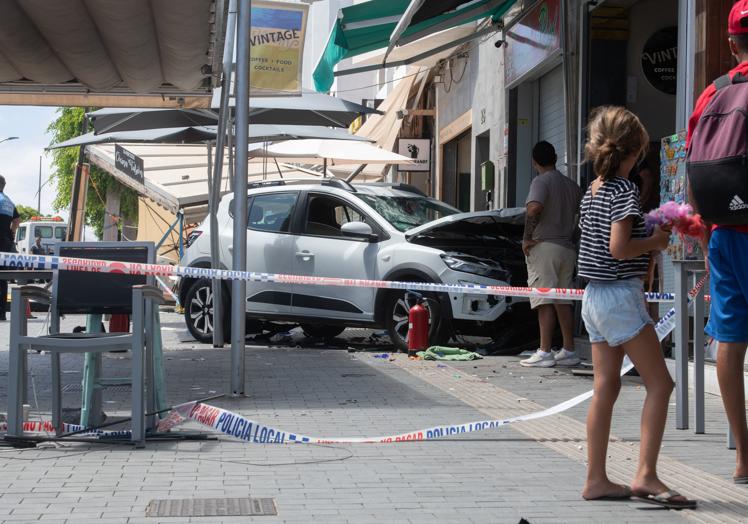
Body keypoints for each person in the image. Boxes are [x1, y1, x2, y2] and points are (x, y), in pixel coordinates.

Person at [578, 106, 696, 509]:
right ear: (637, 149)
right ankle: (645, 473)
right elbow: (619, 248)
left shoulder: (593, 188)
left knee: (605, 387)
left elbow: (599, 246)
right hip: (617, 295)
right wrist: (655, 243)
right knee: (661, 384)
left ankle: (595, 478)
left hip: (592, 297)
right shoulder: (624, 191)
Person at [687, 0, 748, 485]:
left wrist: (705, 233)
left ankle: (743, 457)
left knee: (729, 339)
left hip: (724, 233)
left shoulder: (712, 93)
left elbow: (694, 169)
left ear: (731, 43)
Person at [520, 141, 582, 368]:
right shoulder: (571, 186)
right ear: (555, 158)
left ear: (534, 161)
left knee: (544, 299)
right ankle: (569, 350)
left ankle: (545, 351)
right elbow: (580, 218)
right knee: (563, 300)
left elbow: (534, 207)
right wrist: (571, 237)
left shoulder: (540, 181)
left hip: (545, 247)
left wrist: (527, 237)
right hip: (567, 249)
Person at [0, 174, 20, 321]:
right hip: (6, 243)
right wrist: (12, 234)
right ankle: (1, 313)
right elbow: (17, 220)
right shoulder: (9, 201)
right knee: (3, 278)